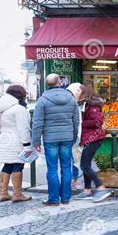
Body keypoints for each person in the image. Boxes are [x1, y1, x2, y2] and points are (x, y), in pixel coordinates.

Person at [31, 74, 79, 206]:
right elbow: (76, 121)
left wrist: (36, 142)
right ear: (60, 82)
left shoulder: (42, 100)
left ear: (47, 84)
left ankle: (53, 199)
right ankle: (65, 198)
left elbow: (37, 123)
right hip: (67, 138)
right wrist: (74, 136)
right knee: (66, 168)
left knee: (52, 169)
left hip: (50, 138)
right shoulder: (71, 98)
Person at [0, 85, 32, 203]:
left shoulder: (1, 108)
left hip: (4, 139)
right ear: (20, 94)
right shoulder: (19, 108)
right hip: (17, 141)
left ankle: (3, 193)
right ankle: (17, 194)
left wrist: (5, 129)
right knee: (18, 165)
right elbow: (23, 128)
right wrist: (27, 145)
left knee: (7, 165)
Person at [76, 86, 112, 202]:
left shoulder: (92, 106)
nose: (77, 93)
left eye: (78, 91)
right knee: (86, 165)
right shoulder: (85, 105)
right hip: (88, 138)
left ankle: (101, 187)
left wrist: (82, 122)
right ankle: (87, 190)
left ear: (84, 93)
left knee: (84, 166)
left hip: (94, 138)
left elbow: (97, 122)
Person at [66, 82, 83, 189]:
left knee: (71, 157)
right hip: (74, 134)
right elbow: (77, 121)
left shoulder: (73, 102)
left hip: (68, 134)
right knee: (75, 157)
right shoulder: (74, 103)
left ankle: (71, 179)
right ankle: (73, 179)